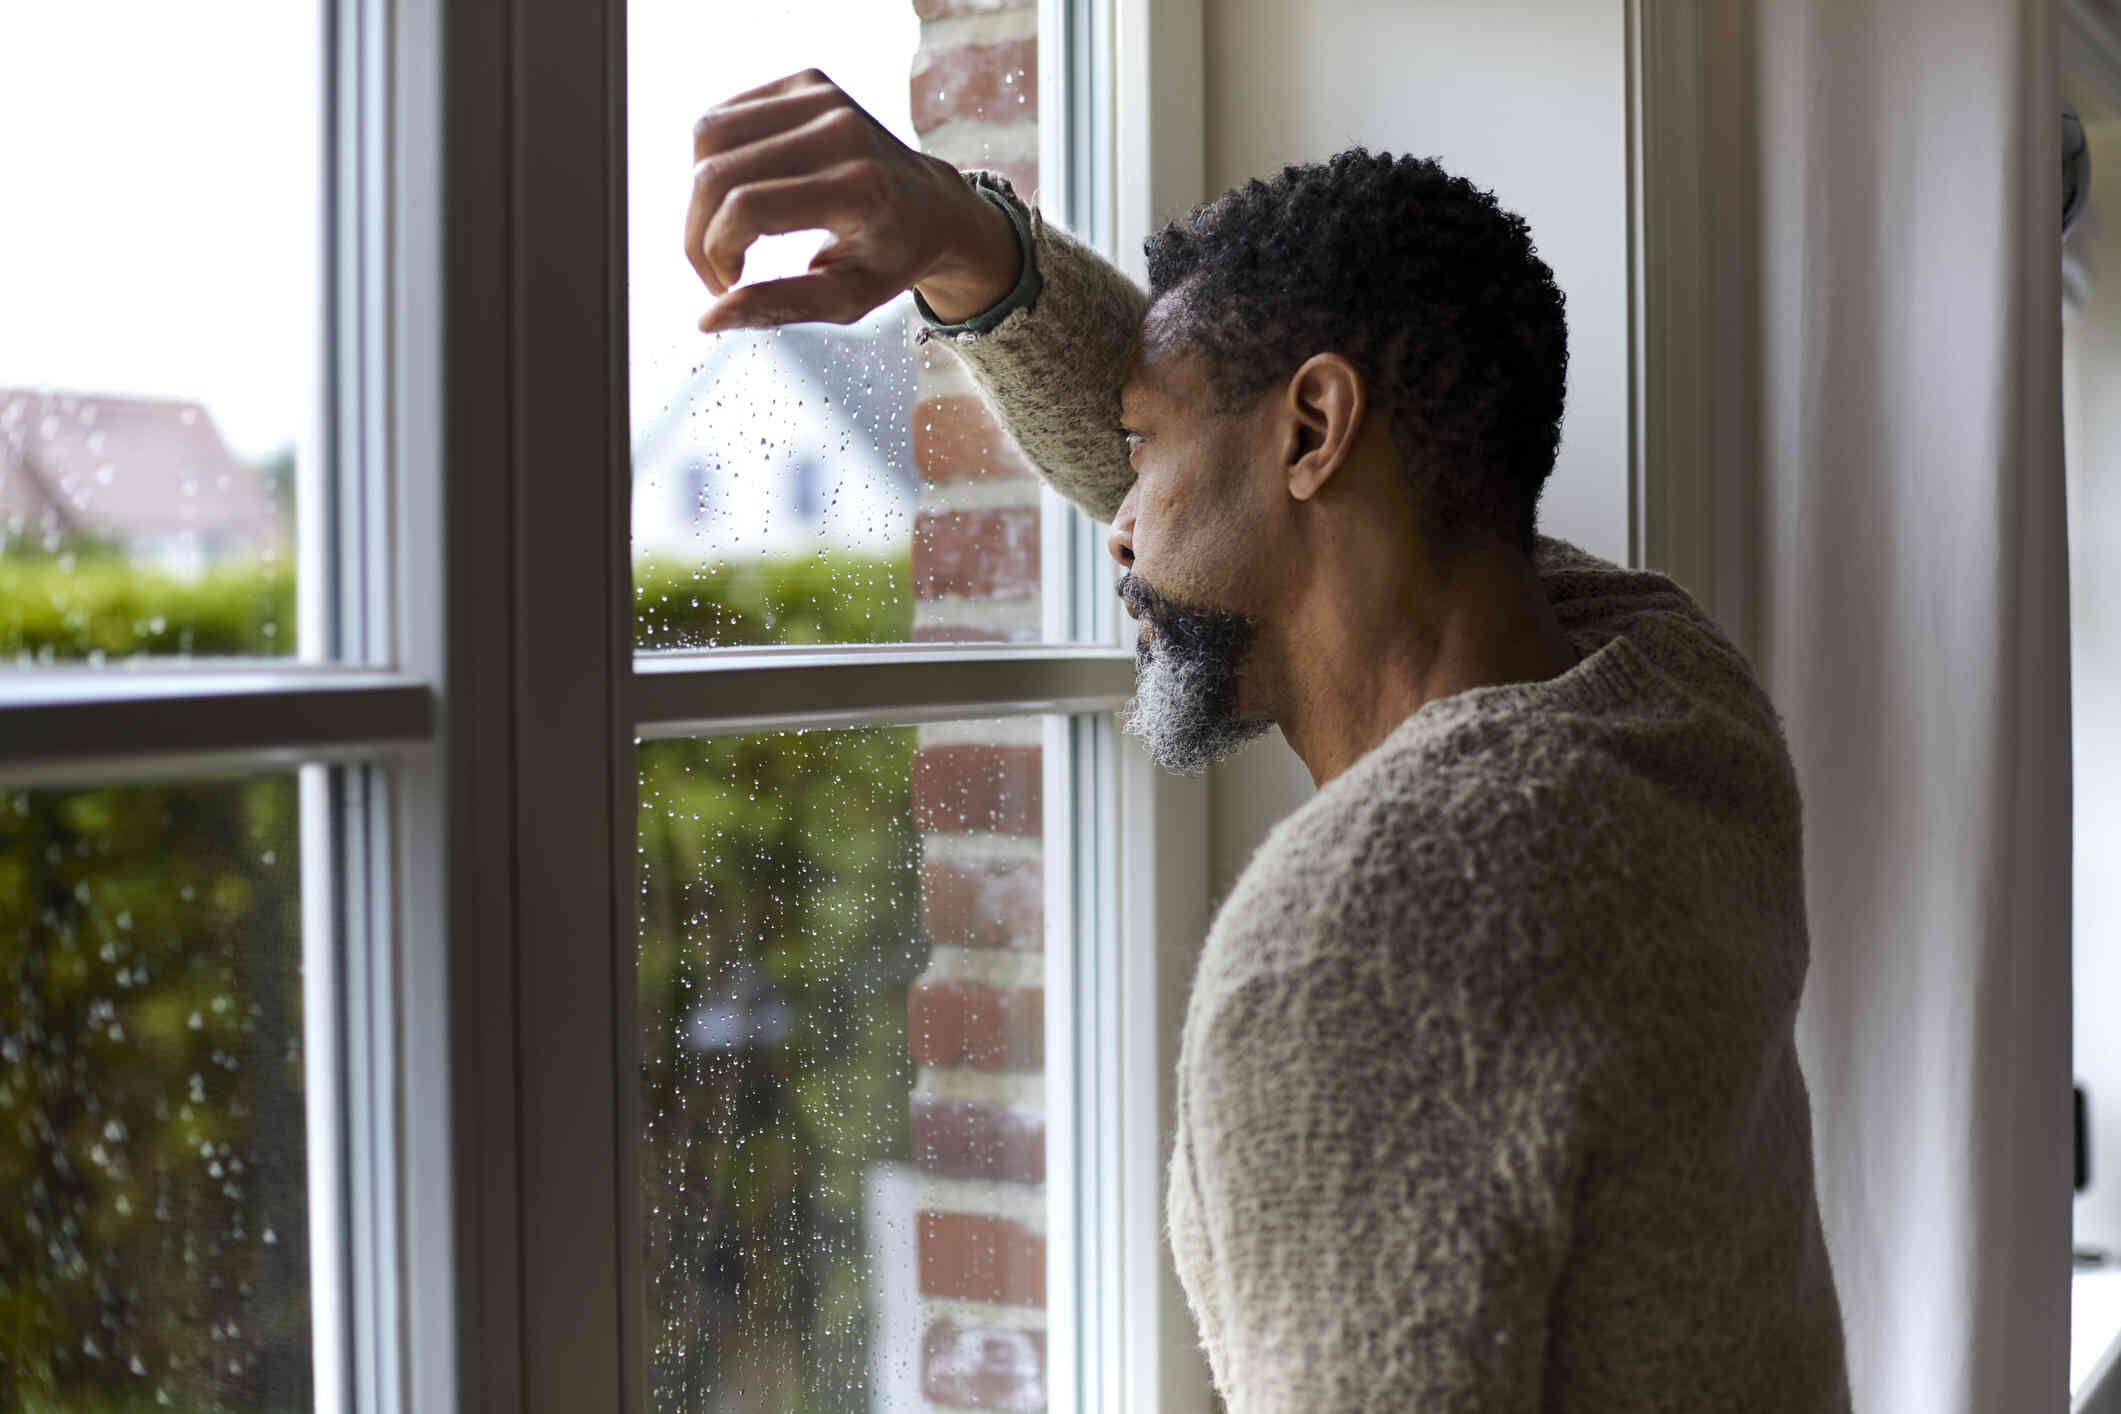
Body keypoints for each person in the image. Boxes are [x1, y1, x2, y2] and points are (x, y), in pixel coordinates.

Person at [685, 68, 1853, 1413]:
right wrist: (967, 242)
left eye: (1141, 451)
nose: (1117, 519)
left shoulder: (1361, 942)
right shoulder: (1670, 697)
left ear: (1314, 427)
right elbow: (1288, 491)